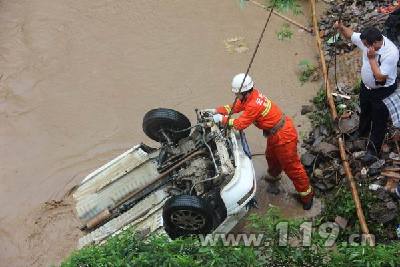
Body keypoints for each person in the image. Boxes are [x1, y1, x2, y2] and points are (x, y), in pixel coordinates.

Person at [205, 73, 314, 210]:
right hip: (276, 133)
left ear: (244, 92)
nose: (236, 96)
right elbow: (234, 107)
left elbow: (239, 124)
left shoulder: (253, 105)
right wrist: (216, 111)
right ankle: (274, 176)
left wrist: (221, 119)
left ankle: (307, 196)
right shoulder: (251, 96)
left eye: (237, 94)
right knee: (271, 156)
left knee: (292, 168)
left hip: (284, 136)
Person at [335, 22, 399, 163]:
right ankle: (362, 131)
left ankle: (373, 150)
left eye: (367, 45)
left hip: (383, 91)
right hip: (366, 88)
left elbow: (381, 77)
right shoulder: (367, 41)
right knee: (365, 110)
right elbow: (350, 35)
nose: (365, 47)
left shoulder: (391, 53)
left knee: (379, 121)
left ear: (376, 42)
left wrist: (371, 59)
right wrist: (341, 27)